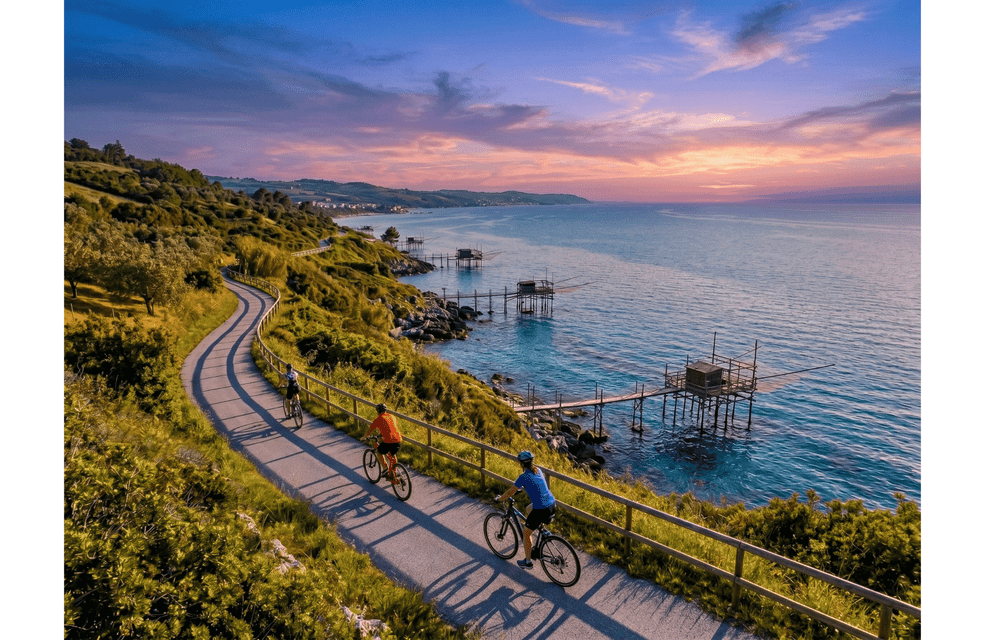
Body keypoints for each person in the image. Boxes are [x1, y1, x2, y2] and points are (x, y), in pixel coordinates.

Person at [495, 450, 556, 569]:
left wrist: (500, 498)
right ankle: (542, 529)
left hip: (541, 509)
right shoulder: (538, 470)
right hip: (552, 504)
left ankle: (528, 562)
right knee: (529, 508)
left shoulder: (523, 477)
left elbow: (511, 491)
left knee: (526, 533)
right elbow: (535, 485)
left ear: (521, 464)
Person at [363, 403, 402, 482]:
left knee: (378, 451)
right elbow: (390, 427)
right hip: (398, 440)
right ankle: (394, 472)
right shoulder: (392, 416)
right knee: (392, 455)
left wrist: (364, 437)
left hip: (389, 441)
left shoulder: (378, 419)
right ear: (385, 410)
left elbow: (370, 429)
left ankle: (385, 469)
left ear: (377, 412)